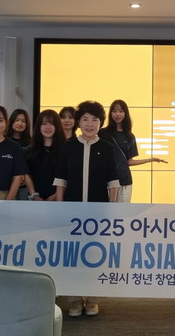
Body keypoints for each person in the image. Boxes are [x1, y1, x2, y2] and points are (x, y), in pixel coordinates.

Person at [54, 100, 119, 317]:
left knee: (95, 256)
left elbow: (112, 181)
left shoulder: (107, 148)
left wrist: (111, 208)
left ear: (101, 123)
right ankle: (74, 301)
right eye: (85, 119)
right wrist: (60, 208)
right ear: (78, 122)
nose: (90, 124)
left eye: (94, 120)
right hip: (71, 211)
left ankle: (92, 300)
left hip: (97, 213)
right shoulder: (69, 146)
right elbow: (61, 179)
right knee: (72, 257)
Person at [100, 99, 166, 203]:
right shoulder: (102, 133)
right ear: (110, 113)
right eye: (114, 111)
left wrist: (150, 159)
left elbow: (129, 162)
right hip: (106, 180)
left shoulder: (130, 136)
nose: (117, 114)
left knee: (123, 211)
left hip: (125, 181)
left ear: (125, 113)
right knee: (105, 210)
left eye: (121, 111)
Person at [25, 109, 66, 201]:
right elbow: (26, 174)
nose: (48, 127)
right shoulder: (29, 150)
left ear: (57, 126)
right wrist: (34, 195)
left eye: (51, 123)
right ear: (38, 126)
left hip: (60, 199)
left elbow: (68, 175)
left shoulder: (66, 150)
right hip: (35, 200)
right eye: (43, 124)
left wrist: (56, 195)